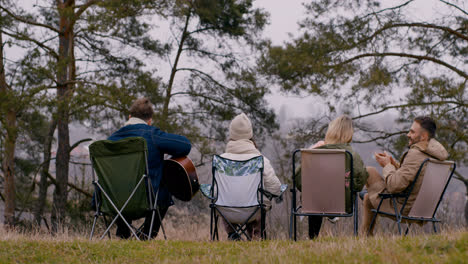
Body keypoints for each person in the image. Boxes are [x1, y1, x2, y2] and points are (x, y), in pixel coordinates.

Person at [107, 97, 191, 239]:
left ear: (129, 117)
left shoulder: (110, 140)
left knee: (121, 184)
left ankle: (124, 233)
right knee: (164, 182)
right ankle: (147, 234)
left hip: (112, 200)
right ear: (149, 120)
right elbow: (185, 145)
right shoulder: (151, 134)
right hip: (146, 199)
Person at [362, 116, 448, 235]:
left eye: (412, 132)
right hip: (425, 209)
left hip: (404, 208)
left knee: (369, 171)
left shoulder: (415, 154)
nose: (408, 134)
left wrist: (387, 165)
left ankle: (364, 233)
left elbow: (394, 186)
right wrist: (394, 163)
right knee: (368, 197)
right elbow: (414, 175)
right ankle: (365, 236)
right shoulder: (435, 156)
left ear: (423, 136)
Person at [296, 115, 368, 239]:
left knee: (316, 194)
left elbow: (298, 179)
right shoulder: (352, 155)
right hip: (343, 203)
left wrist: (309, 152)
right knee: (319, 194)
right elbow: (360, 182)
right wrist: (349, 187)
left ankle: (312, 237)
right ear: (349, 134)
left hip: (313, 202)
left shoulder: (314, 153)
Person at [220, 113, 282, 240]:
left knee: (225, 196)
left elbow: (216, 190)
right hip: (253, 211)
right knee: (257, 199)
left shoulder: (220, 161)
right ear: (250, 134)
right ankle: (255, 235)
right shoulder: (260, 160)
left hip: (226, 211)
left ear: (231, 134)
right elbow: (275, 188)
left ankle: (232, 234)